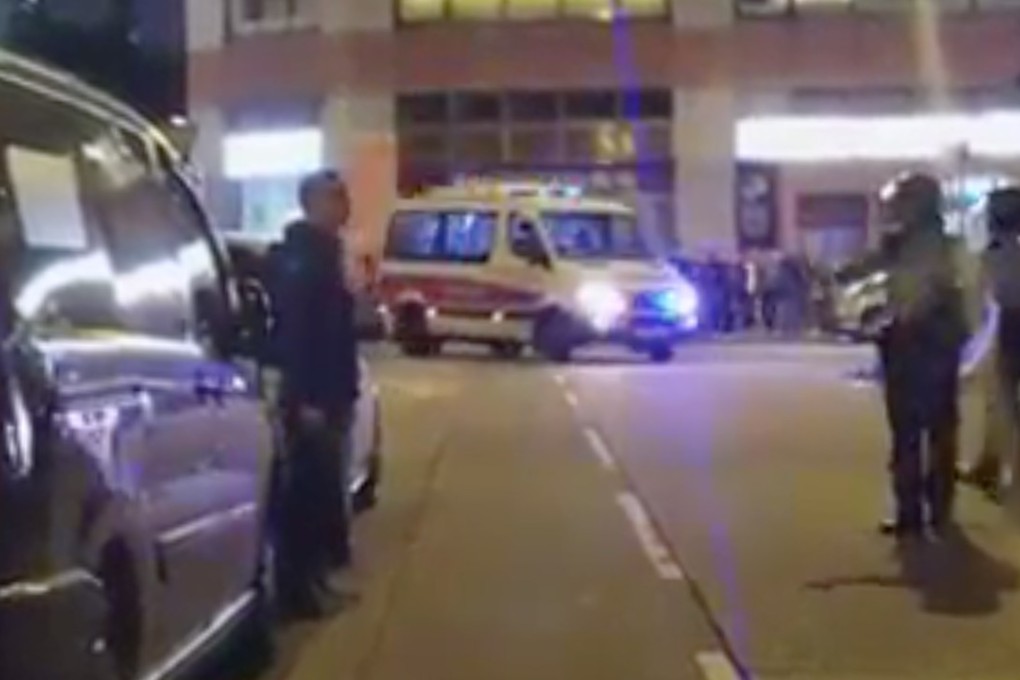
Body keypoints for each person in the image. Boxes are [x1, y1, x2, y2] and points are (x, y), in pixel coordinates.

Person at [270, 169, 360, 617]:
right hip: (315, 398)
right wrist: (305, 398)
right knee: (306, 497)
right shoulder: (304, 258)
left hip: (334, 393)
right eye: (335, 198)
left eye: (344, 196)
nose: (345, 205)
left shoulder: (329, 253)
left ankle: (318, 583)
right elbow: (300, 332)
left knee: (326, 495)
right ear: (312, 204)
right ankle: (299, 590)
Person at [874, 172, 971, 539]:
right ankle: (930, 510)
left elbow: (923, 293)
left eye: (903, 202)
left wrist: (901, 319)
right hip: (928, 343)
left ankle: (918, 510)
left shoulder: (931, 246)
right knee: (929, 430)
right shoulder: (908, 243)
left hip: (922, 342)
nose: (897, 209)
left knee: (917, 431)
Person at [966, 187, 1020, 498]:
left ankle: (999, 471)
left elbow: (991, 294)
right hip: (1007, 323)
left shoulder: (996, 250)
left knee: (1003, 402)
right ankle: (989, 465)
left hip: (1011, 325)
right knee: (1000, 402)